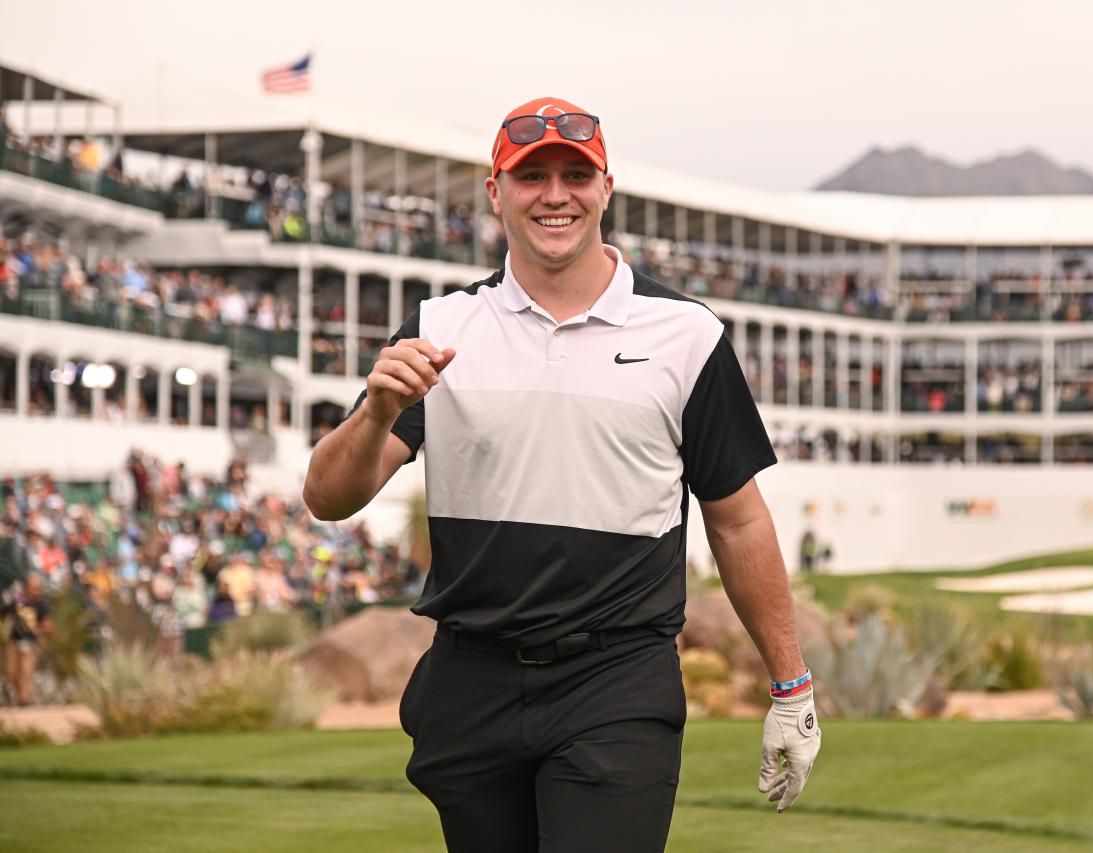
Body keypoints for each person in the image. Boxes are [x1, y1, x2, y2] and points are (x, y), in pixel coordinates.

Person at [303, 96, 820, 853]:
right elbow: (327, 496)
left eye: (575, 175)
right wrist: (376, 411)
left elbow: (737, 519)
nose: (555, 194)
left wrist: (791, 687)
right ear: (495, 192)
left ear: (606, 188)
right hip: (470, 676)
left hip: (616, 676)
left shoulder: (686, 335)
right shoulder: (440, 327)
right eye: (531, 175)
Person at [1, 573, 53, 705]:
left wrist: (38, 628)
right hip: (14, 642)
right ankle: (20, 696)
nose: (37, 591)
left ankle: (24, 700)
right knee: (12, 673)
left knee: (26, 672)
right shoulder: (20, 600)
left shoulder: (42, 605)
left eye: (39, 588)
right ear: (27, 587)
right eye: (34, 587)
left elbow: (48, 626)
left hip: (30, 644)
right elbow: (5, 612)